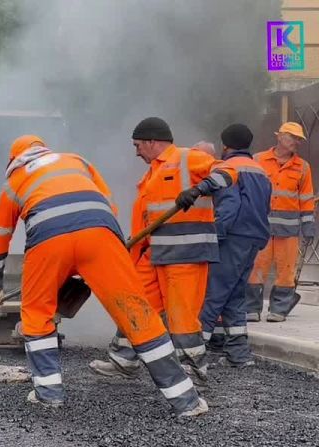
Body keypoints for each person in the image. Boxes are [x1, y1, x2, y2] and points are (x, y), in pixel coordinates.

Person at [0, 135, 206, 417]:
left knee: (37, 312)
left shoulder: (15, 180)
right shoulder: (77, 160)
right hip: (101, 233)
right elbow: (109, 204)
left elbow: (0, 233)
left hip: (48, 242)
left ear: (13, 159)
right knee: (136, 311)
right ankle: (185, 400)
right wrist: (98, 255)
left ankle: (48, 394)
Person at [89, 117, 237, 379]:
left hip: (186, 257)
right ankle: (124, 360)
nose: (136, 152)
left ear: (151, 141)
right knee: (135, 304)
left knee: (182, 319)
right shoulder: (152, 174)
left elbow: (228, 172)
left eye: (138, 146)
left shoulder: (186, 157)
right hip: (155, 254)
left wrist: (201, 187)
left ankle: (194, 374)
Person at [189, 124, 272, 376]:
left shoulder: (226, 168)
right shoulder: (261, 170)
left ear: (225, 146)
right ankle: (239, 354)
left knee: (212, 294)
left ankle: (193, 354)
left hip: (232, 238)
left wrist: (215, 236)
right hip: (254, 238)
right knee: (235, 295)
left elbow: (229, 205)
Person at [246, 122, 315, 322]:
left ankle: (279, 309)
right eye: (293, 138)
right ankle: (251, 308)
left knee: (286, 271)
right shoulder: (257, 160)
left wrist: (308, 223)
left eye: (299, 139)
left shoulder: (302, 167)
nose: (297, 142)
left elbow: (306, 198)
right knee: (256, 267)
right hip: (261, 228)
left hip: (289, 230)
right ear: (280, 137)